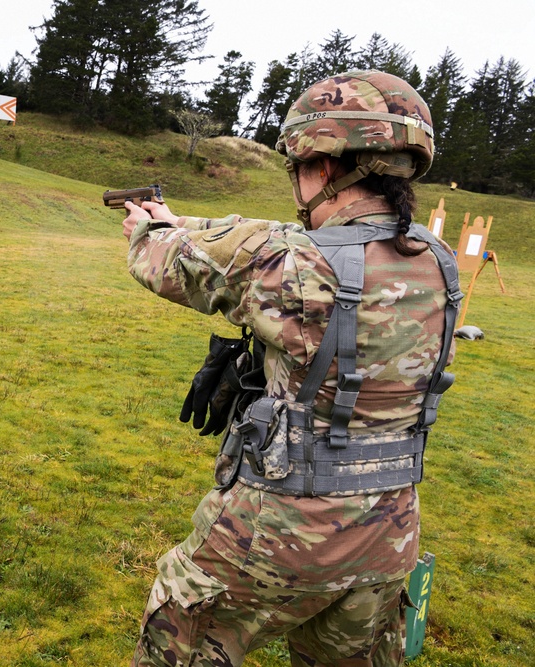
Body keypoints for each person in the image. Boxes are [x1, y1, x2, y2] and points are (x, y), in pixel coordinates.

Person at [122, 70, 460, 667]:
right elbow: (255, 240)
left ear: (323, 165)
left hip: (278, 528)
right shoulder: (437, 262)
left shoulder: (289, 259)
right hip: (390, 532)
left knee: (177, 644)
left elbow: (161, 260)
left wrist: (148, 227)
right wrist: (185, 220)